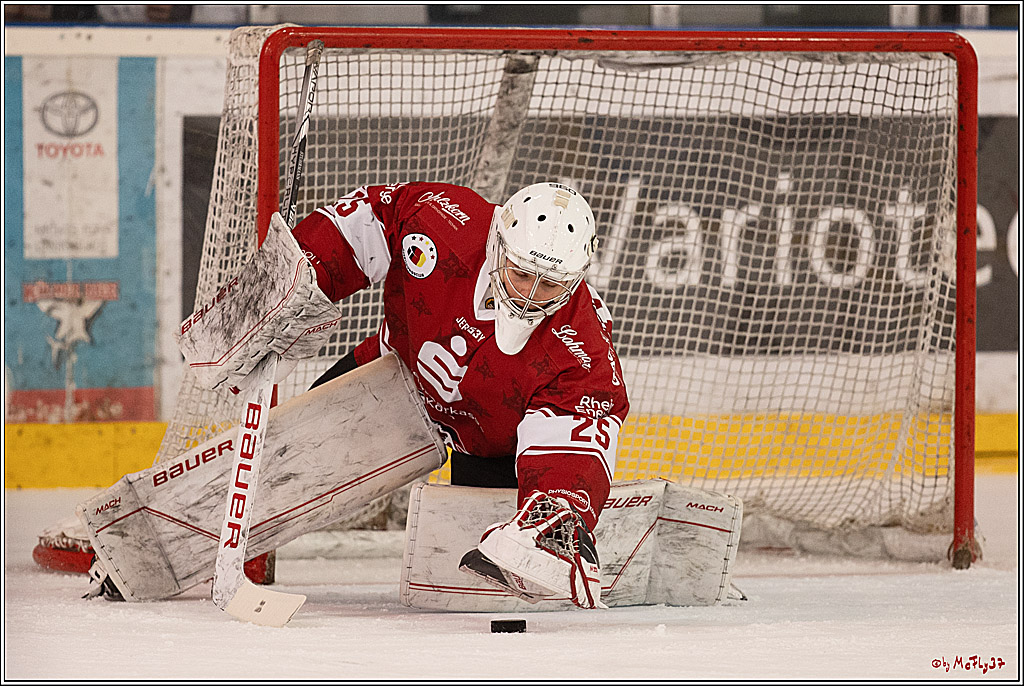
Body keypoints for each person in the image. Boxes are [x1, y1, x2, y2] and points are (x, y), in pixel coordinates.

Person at [288, 181, 629, 609]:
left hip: (490, 445)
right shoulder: (444, 221)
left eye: (548, 285)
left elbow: (572, 437)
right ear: (498, 245)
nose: (528, 295)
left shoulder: (582, 347)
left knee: (476, 588)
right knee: (290, 455)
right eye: (522, 273)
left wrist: (556, 514)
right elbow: (372, 218)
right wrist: (300, 274)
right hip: (396, 375)